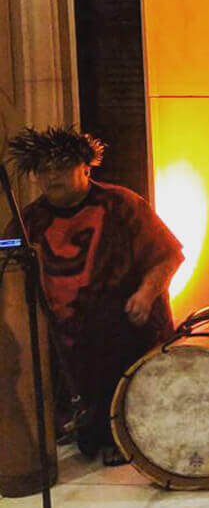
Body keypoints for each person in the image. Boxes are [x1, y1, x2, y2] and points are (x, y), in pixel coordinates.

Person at [6, 126, 183, 466]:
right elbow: (10, 264)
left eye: (60, 167)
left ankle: (124, 435)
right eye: (44, 169)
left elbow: (168, 253)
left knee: (120, 359)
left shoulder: (122, 204)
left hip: (121, 322)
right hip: (63, 332)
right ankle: (83, 427)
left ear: (85, 167)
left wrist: (146, 294)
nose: (51, 176)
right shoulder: (30, 219)